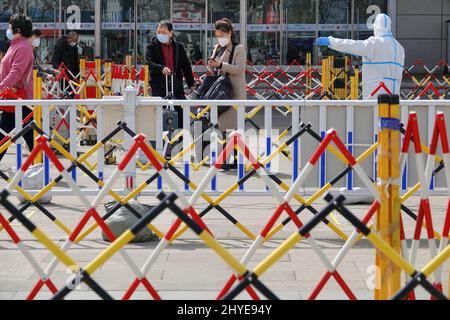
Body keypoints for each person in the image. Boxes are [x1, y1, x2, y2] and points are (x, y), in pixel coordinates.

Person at [316, 13, 405, 99]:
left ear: (376, 27)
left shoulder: (374, 43)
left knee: (375, 114)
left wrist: (331, 41)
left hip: (375, 93)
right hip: (394, 95)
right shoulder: (399, 48)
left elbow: (351, 45)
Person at [206, 18, 246, 170]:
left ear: (230, 33)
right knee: (221, 126)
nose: (220, 37)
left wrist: (221, 64)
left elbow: (240, 69)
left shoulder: (239, 48)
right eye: (217, 34)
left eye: (222, 34)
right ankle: (224, 159)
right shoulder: (216, 47)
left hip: (234, 92)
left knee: (233, 127)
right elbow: (214, 71)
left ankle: (234, 160)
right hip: (220, 92)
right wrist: (211, 65)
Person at [0, 14, 35, 161]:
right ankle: (44, 163)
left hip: (19, 98)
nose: (8, 29)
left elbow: (16, 72)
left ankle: (45, 163)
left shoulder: (23, 47)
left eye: (10, 26)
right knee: (29, 135)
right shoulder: (15, 45)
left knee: (5, 134)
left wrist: (1, 87)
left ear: (18, 30)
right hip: (13, 98)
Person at [145, 20, 195, 106]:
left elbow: (186, 66)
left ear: (170, 33)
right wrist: (162, 68)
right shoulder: (152, 47)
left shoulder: (179, 47)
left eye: (164, 32)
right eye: (158, 32)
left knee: (180, 111)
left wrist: (191, 84)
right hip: (159, 85)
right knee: (160, 113)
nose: (160, 34)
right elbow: (149, 63)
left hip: (176, 83)